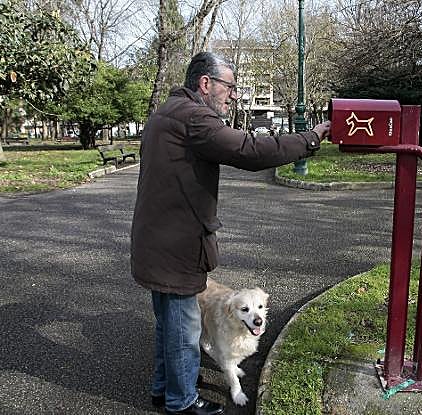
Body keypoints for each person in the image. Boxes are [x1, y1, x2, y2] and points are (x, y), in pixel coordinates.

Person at [130, 51, 331, 415]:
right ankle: (181, 402)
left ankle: (165, 389)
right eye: (230, 86)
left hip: (154, 241)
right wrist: (309, 139)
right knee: (184, 331)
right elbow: (248, 149)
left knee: (169, 327)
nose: (233, 94)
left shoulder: (166, 112)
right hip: (177, 246)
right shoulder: (194, 117)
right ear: (205, 83)